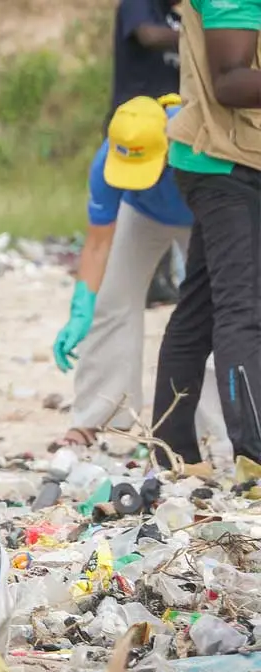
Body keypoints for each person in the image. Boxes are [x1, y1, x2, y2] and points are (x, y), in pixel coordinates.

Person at [53, 95, 230, 457]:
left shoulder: (199, 141)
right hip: (142, 214)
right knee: (111, 302)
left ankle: (216, 430)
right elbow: (98, 244)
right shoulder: (107, 160)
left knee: (212, 311)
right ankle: (95, 417)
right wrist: (81, 307)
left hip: (203, 212)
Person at [153, 0, 261, 468]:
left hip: (239, 157)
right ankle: (254, 451)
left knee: (199, 308)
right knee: (242, 308)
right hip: (222, 164)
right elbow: (229, 81)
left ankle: (172, 450)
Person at [111, 0, 182, 120]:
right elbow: (149, 36)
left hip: (170, 116)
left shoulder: (175, 18)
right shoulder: (138, 4)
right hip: (135, 120)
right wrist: (194, 38)